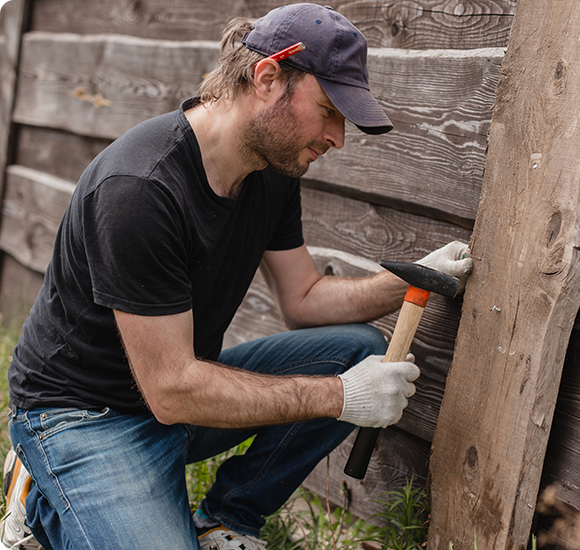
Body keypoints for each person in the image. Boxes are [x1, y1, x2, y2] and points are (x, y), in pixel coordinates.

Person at [2, 4, 473, 550]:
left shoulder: (269, 172)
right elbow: (173, 391)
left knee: (356, 350)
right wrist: (340, 398)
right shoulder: (139, 190)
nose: (338, 137)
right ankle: (42, 496)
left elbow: (303, 297)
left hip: (175, 395)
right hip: (85, 416)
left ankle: (226, 519)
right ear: (268, 78)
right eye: (328, 110)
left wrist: (411, 281)